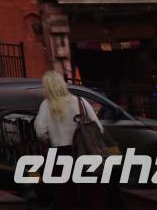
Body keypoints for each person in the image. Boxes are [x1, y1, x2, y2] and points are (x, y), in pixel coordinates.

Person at [33, 70, 105, 210]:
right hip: (83, 151)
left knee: (65, 194)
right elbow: (99, 128)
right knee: (91, 191)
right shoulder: (80, 102)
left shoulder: (46, 105)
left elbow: (40, 132)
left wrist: (51, 139)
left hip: (59, 153)